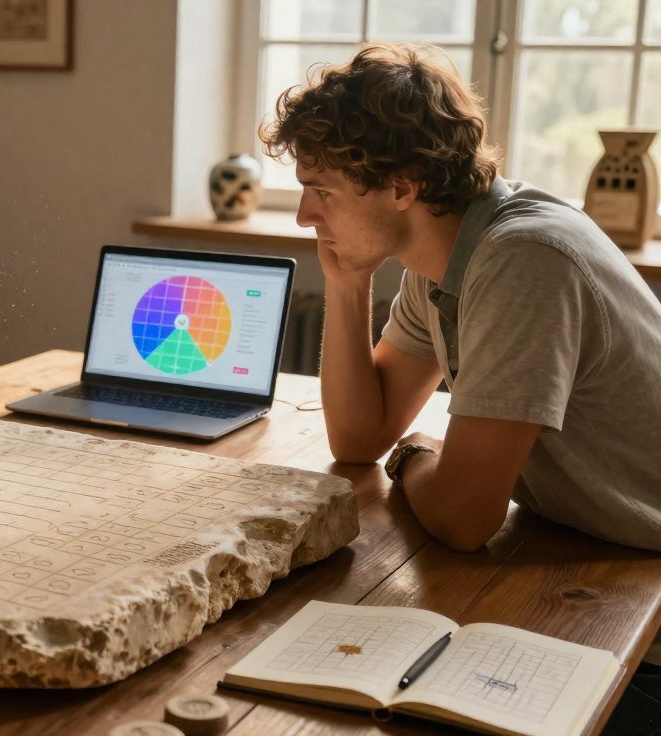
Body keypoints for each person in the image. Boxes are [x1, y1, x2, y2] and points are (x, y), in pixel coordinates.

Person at [261, 45, 661, 732]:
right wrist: (347, 280)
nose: (304, 215)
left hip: (642, 611)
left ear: (402, 184)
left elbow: (464, 519)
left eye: (322, 190)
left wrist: (418, 457)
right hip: (589, 551)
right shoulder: (446, 257)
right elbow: (360, 437)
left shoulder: (524, 259)